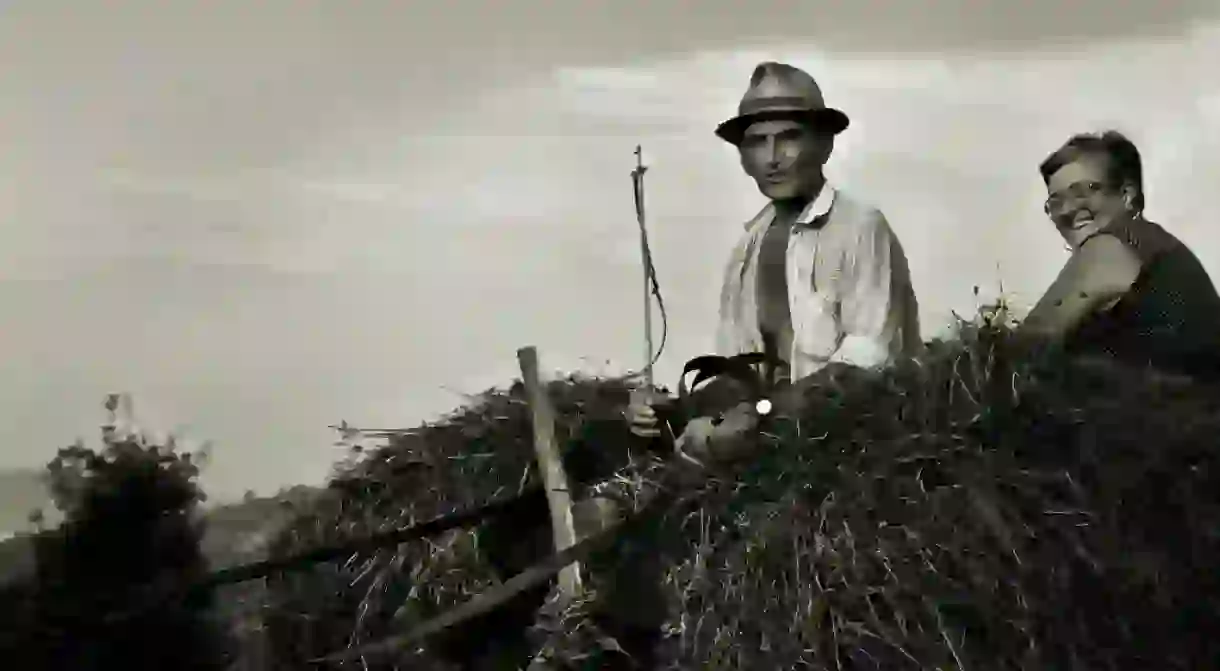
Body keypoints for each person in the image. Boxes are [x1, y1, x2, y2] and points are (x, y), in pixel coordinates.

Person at [627, 61, 922, 457]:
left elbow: (866, 367)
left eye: (788, 138)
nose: (772, 158)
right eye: (756, 142)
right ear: (742, 156)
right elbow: (737, 374)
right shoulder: (746, 249)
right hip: (771, 447)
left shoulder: (861, 228)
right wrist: (670, 409)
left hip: (856, 447)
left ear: (825, 144)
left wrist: (759, 416)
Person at [1019, 130, 1220, 378]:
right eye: (1056, 202)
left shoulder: (1115, 243)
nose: (1068, 209)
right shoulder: (1157, 247)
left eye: (1083, 191)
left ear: (1126, 196)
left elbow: (1022, 347)